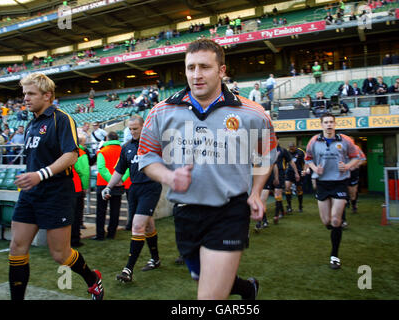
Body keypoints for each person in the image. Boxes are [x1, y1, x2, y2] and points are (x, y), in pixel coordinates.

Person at [137, 39, 277, 300]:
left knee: (208, 298)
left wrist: (256, 192)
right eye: (190, 68)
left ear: (222, 70)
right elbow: (146, 157)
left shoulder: (251, 112)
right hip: (186, 213)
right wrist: (169, 176)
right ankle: (247, 289)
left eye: (204, 67)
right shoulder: (162, 111)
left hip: (230, 211)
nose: (196, 75)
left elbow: (266, 154)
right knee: (203, 276)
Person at [10, 73, 103, 300]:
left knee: (60, 255)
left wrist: (40, 175)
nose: (26, 98)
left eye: (31, 94)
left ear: (47, 95)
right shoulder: (32, 122)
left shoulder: (61, 119)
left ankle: (93, 280)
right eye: (24, 94)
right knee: (17, 248)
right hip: (31, 193)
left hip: (57, 193)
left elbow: (71, 155)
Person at [102, 116, 163, 282]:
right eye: (130, 129)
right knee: (148, 225)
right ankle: (155, 259)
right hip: (134, 188)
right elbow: (119, 171)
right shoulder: (127, 147)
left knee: (137, 225)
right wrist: (109, 186)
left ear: (144, 127)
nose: (132, 131)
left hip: (151, 188)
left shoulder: (155, 145)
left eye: (135, 128)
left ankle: (128, 269)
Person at [305, 113, 360, 270]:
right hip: (322, 184)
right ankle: (333, 230)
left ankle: (334, 256)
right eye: (326, 122)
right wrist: (315, 168)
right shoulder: (314, 141)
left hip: (339, 183)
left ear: (335, 124)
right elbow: (308, 159)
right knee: (326, 222)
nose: (329, 125)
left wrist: (348, 166)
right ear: (321, 124)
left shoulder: (345, 140)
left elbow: (357, 157)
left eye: (331, 122)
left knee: (336, 220)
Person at [94, 131, 124, 240]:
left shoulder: (102, 151)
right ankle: (112, 233)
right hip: (119, 184)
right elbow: (128, 168)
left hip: (103, 184)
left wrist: (111, 182)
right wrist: (119, 180)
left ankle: (100, 235)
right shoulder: (123, 151)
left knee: (101, 211)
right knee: (115, 210)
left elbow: (101, 168)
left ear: (107, 139)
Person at [71, 135, 90, 247]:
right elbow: (84, 172)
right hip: (76, 187)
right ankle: (74, 239)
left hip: (65, 187)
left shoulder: (65, 150)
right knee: (77, 215)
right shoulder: (81, 153)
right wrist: (85, 186)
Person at [285, 142, 306, 213]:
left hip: (299, 172)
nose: (291, 150)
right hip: (289, 172)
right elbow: (284, 162)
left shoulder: (300, 152)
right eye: (290, 148)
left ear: (295, 147)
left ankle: (300, 206)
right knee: (287, 188)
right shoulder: (287, 152)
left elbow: (305, 162)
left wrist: (304, 171)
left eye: (292, 148)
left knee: (299, 189)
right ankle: (289, 206)